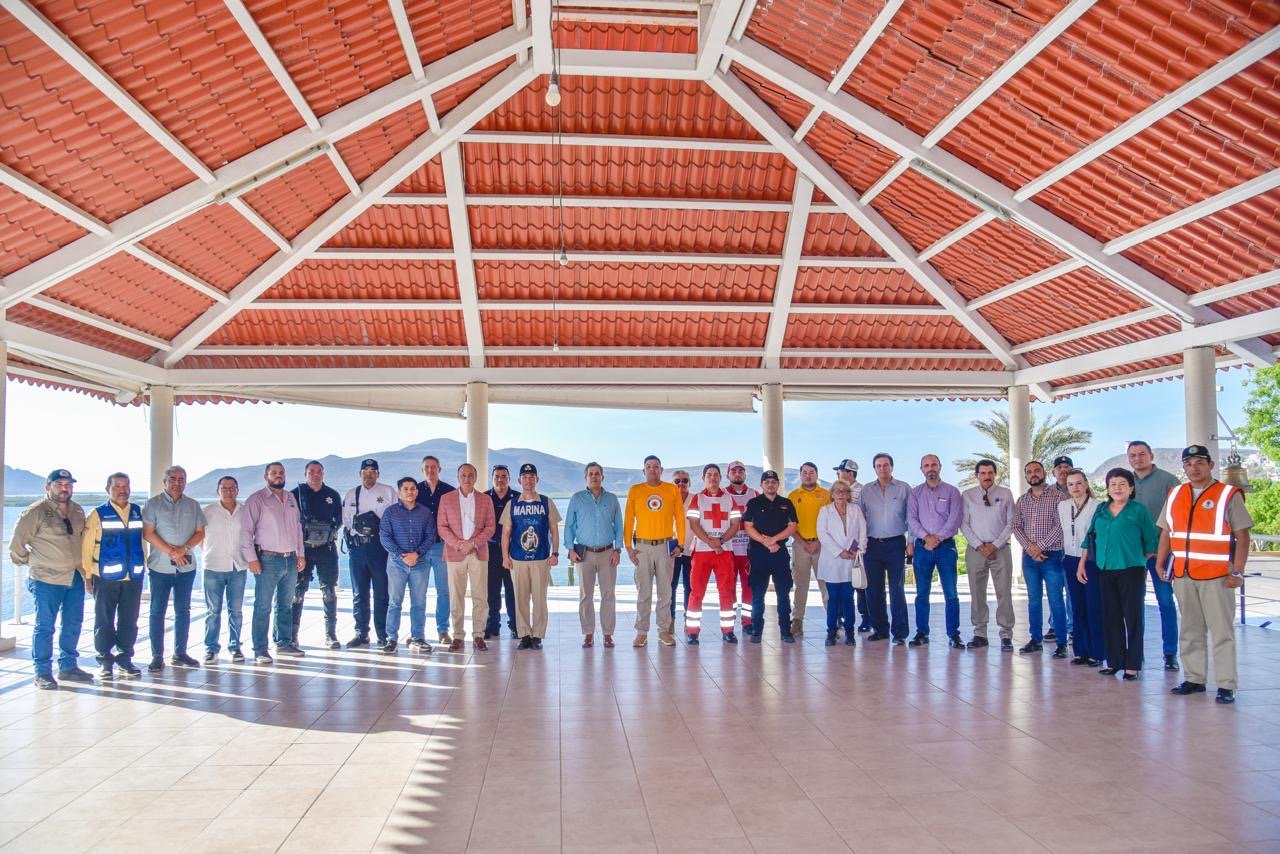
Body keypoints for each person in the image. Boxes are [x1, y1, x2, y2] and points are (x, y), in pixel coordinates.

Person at [1161, 445, 1252, 705]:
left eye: (1199, 462)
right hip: (1184, 574)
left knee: (1221, 632)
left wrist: (1238, 570)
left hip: (1217, 576)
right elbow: (1167, 531)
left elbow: (1243, 535)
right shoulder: (1175, 494)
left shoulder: (1227, 494)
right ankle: (1194, 678)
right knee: (1190, 630)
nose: (1194, 468)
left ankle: (1226, 684)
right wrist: (1161, 561)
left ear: (1210, 465)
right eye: (1189, 463)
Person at [10, 469, 90, 689]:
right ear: (48, 487)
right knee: (45, 626)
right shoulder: (35, 512)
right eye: (59, 484)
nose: (64, 488)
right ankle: (42, 672)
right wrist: (36, 562)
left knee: (73, 623)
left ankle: (68, 666)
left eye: (68, 485)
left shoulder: (77, 510)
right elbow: (16, 547)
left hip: (74, 577)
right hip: (46, 580)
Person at [1082, 468, 1158, 680]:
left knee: (1133, 617)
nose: (1117, 488)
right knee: (1111, 617)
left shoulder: (1138, 510)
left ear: (1131, 488)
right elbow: (1090, 537)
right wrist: (1082, 563)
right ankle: (1115, 661)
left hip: (1131, 569)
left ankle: (1132, 665)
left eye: (1122, 484)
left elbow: (1151, 540)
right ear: (1107, 488)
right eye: (1113, 484)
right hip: (1105, 569)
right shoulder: (1101, 510)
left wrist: (1137, 558)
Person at [240, 462, 307, 665]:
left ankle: (284, 643)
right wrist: (251, 558)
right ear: (266, 476)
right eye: (274, 473)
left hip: (290, 559)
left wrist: (301, 554)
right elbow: (246, 531)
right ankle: (260, 649)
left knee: (285, 605)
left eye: (281, 473)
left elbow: (297, 528)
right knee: (263, 606)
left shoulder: (291, 498)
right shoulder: (257, 499)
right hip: (267, 559)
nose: (278, 476)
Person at [142, 465, 206, 672]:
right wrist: (172, 552)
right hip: (160, 568)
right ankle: (157, 656)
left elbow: (200, 532)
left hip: (186, 568)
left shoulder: (193, 505)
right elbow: (148, 533)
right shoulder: (153, 504)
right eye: (173, 478)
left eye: (181, 479)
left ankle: (180, 653)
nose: (177, 482)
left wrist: (183, 549)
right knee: (157, 611)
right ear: (165, 481)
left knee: (183, 610)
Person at [81, 473, 144, 681]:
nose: (122, 490)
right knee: (104, 621)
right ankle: (105, 662)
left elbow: (143, 542)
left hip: (133, 578)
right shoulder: (98, 514)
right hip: (105, 578)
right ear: (108, 489)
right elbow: (87, 547)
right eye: (117, 486)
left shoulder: (137, 512)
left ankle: (125, 659)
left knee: (129, 620)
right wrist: (87, 576)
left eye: (125, 486)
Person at [1129, 440, 1183, 671]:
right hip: (1133, 554)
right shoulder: (1125, 481)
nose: (1137, 458)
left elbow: (1177, 517)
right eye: (1133, 455)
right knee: (1134, 604)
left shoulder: (1169, 481)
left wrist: (1161, 547)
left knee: (1165, 601)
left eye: (1142, 454)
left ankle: (1170, 653)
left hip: (1161, 552)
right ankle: (1135, 652)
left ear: (1151, 455)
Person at [623, 455, 685, 647]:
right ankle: (641, 632)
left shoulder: (671, 489)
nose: (652, 469)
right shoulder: (635, 490)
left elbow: (680, 518)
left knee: (665, 592)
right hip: (642, 547)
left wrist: (681, 544)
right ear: (644, 471)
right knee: (644, 592)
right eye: (648, 466)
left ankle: (664, 631)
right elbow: (629, 520)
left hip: (665, 547)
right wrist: (628, 547)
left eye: (656, 466)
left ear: (661, 470)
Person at [437, 463, 497, 652]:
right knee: (456, 597)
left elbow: (490, 527)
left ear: (475, 478)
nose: (467, 478)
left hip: (478, 553)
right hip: (454, 554)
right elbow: (442, 527)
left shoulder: (485, 500)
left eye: (470, 475)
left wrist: (473, 543)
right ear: (458, 477)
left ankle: (478, 635)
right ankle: (458, 636)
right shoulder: (446, 499)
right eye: (463, 475)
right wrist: (459, 544)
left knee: (480, 596)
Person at [907, 454, 964, 649]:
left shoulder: (952, 492)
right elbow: (912, 519)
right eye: (926, 465)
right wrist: (926, 537)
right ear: (921, 469)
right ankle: (922, 632)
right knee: (922, 593)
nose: (930, 468)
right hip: (923, 548)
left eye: (933, 465)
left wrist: (937, 538)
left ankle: (954, 634)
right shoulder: (915, 493)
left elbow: (955, 519)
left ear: (940, 467)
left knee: (951, 593)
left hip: (946, 548)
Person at [501, 464, 561, 650]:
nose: (528, 480)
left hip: (541, 558)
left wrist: (555, 553)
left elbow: (554, 530)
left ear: (537, 479)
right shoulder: (512, 504)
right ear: (519, 480)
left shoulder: (546, 502)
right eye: (525, 477)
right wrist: (505, 557)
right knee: (520, 598)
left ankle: (538, 635)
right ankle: (525, 634)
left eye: (532, 477)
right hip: (518, 559)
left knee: (540, 599)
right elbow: (506, 533)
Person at [1013, 461, 1069, 658]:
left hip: (1053, 556)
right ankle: (1035, 639)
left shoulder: (1059, 497)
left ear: (1044, 473)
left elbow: (1061, 525)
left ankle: (1061, 643)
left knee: (1056, 599)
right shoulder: (1022, 500)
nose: (1033, 474)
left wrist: (1040, 546)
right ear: (1026, 476)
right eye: (1029, 472)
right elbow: (1016, 526)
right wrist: (1030, 548)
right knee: (1034, 600)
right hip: (1029, 558)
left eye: (1037, 470)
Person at [564, 462, 623, 648]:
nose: (594, 476)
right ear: (586, 477)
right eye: (591, 474)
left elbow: (619, 526)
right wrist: (570, 549)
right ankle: (588, 634)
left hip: (608, 553)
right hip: (584, 555)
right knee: (585, 596)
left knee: (608, 595)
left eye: (597, 473)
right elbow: (569, 525)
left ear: (602, 477)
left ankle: (608, 634)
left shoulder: (612, 499)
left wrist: (618, 549)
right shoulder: (577, 498)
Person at [684, 463, 743, 645]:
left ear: (720, 477)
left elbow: (735, 524)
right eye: (709, 475)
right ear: (703, 478)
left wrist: (721, 541)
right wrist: (711, 542)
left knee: (726, 592)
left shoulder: (729, 499)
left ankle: (728, 631)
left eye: (716, 474)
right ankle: (692, 632)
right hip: (702, 551)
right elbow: (693, 524)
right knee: (696, 592)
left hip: (724, 552)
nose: (712, 477)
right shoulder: (697, 499)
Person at [960, 460, 1015, 651]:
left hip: (1000, 549)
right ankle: (980, 633)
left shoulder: (1005, 494)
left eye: (990, 472)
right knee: (977, 592)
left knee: (1004, 592)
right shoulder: (967, 495)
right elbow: (964, 524)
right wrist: (979, 545)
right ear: (977, 475)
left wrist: (995, 545)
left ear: (995, 474)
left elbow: (1011, 523)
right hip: (976, 550)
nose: (987, 476)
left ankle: (1006, 635)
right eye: (982, 473)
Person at [380, 477, 438, 654]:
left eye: (412, 488)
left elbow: (431, 536)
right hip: (397, 564)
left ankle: (418, 637)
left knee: (419, 602)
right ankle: (391, 639)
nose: (409, 492)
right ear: (399, 492)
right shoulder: (390, 512)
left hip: (420, 563)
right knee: (394, 602)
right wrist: (401, 555)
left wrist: (417, 554)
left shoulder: (425, 512)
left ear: (417, 491)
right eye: (405, 489)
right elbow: (385, 537)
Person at [342, 459, 396, 648]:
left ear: (378, 474)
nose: (369, 474)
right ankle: (361, 633)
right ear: (360, 474)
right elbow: (346, 521)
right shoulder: (351, 493)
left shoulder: (388, 492)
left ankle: (383, 634)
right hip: (357, 549)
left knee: (382, 593)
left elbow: (394, 518)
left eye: (373, 471)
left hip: (379, 548)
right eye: (365, 471)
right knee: (359, 593)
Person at [859, 453, 912, 645]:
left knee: (897, 589)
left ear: (892, 467)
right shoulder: (866, 490)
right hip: (872, 545)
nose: (882, 468)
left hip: (896, 543)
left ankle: (900, 633)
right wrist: (858, 545)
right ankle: (880, 630)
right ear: (874, 468)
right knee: (873, 590)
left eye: (886, 465)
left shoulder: (904, 488)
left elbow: (911, 517)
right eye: (879, 465)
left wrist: (911, 541)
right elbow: (860, 519)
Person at [742, 471, 798, 643]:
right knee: (758, 594)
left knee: (783, 594)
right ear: (761, 485)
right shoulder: (754, 503)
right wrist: (765, 542)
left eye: (774, 482)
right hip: (759, 553)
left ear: (778, 484)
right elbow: (748, 526)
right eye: (767, 482)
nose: (770, 484)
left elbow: (792, 526)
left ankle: (785, 630)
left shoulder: (786, 503)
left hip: (780, 553)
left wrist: (774, 540)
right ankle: (757, 630)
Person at [291, 461, 343, 650]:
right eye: (311, 471)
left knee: (329, 591)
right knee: (297, 593)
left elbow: (340, 519)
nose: (315, 474)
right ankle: (292, 636)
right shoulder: (295, 495)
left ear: (323, 473)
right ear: (305, 474)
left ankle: (331, 635)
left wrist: (327, 531)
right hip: (302, 549)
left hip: (326, 549)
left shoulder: (333, 495)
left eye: (319, 471)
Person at [202, 476, 247, 664]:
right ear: (218, 491)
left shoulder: (245, 511)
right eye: (224, 488)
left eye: (232, 488)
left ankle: (235, 647)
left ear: (237, 490)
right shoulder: (207, 512)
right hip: (213, 567)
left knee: (236, 610)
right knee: (213, 611)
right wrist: (209, 552)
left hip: (238, 567)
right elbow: (199, 538)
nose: (228, 491)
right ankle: (210, 648)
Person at [1061, 469, 1104, 666]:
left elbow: (1095, 535)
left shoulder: (1098, 506)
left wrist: (1085, 561)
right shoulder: (1063, 506)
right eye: (1071, 484)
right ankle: (1080, 651)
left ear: (1086, 484)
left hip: (1090, 561)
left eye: (1079, 483)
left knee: (1093, 605)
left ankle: (1097, 652)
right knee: (1077, 606)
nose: (1075, 487)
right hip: (1070, 559)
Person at [816, 481, 866, 647]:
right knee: (833, 599)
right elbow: (822, 534)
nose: (841, 494)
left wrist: (859, 549)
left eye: (844, 491)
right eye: (837, 491)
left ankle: (850, 633)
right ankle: (831, 632)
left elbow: (863, 531)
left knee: (848, 598)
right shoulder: (825, 511)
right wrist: (839, 551)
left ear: (849, 494)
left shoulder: (855, 510)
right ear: (832, 494)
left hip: (851, 560)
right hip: (833, 561)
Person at [787, 462, 830, 636]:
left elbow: (831, 522)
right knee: (800, 585)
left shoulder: (826, 495)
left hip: (822, 544)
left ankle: (833, 621)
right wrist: (803, 543)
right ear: (800, 475)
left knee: (825, 584)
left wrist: (818, 541)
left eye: (811, 472)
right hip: (800, 544)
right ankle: (797, 620)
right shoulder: (792, 496)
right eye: (804, 472)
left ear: (817, 474)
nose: (808, 475)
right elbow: (790, 524)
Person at [417, 456, 456, 644]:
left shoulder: (450, 491)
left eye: (433, 467)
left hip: (442, 546)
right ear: (422, 470)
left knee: (444, 591)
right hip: (420, 548)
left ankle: (443, 630)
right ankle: (418, 633)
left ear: (439, 469)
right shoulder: (414, 490)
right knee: (419, 593)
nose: (430, 470)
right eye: (427, 467)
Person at [833, 459, 870, 632]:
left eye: (840, 471)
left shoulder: (862, 491)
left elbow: (862, 521)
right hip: (840, 545)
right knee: (842, 581)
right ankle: (841, 616)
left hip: (856, 544)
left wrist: (857, 546)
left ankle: (866, 618)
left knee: (859, 582)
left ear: (850, 473)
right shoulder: (836, 490)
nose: (837, 474)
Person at [484, 464, 518, 640]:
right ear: (492, 479)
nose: (500, 480)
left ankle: (516, 626)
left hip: (512, 551)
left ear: (509, 479)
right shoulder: (483, 498)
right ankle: (492, 626)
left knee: (513, 591)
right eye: (497, 476)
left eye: (504, 476)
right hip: (490, 550)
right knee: (492, 591)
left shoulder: (518, 498)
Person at [724, 461, 758, 635]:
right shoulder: (722, 495)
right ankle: (729, 622)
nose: (737, 474)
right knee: (728, 588)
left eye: (741, 471)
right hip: (728, 550)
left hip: (748, 551)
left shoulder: (755, 495)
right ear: (728, 474)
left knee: (748, 588)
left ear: (745, 474)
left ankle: (747, 622)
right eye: (734, 471)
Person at [1048, 455, 1074, 642]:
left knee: (1071, 589)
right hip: (1053, 548)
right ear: (1053, 472)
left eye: (1067, 467)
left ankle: (1072, 626)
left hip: (1073, 547)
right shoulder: (1047, 492)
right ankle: (1055, 625)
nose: (1063, 470)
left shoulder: (1079, 489)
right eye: (1060, 467)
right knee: (1054, 588)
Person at [668, 469, 693, 621]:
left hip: (692, 549)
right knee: (671, 585)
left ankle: (689, 615)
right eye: (677, 481)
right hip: (673, 549)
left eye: (684, 480)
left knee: (690, 586)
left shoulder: (696, 500)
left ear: (689, 483)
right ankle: (670, 617)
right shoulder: (667, 500)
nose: (681, 483)